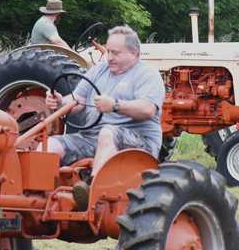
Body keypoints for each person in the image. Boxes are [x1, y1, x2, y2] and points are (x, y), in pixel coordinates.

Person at [45, 25, 165, 207]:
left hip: (139, 141)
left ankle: (91, 193)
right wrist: (60, 101)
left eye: (115, 53)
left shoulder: (147, 75)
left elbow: (148, 109)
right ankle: (39, 200)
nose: (109, 57)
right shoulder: (99, 70)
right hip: (91, 138)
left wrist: (115, 106)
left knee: (108, 133)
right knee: (49, 145)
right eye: (108, 51)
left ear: (134, 53)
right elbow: (78, 100)